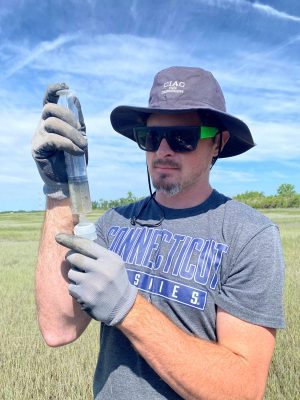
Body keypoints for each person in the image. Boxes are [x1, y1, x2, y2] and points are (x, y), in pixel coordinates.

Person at [32, 66, 285, 400]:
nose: (163, 150)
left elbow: (242, 389)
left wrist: (129, 309)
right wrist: (58, 191)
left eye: (183, 138)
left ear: (218, 143)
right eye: (151, 138)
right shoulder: (114, 223)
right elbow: (58, 329)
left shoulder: (249, 235)